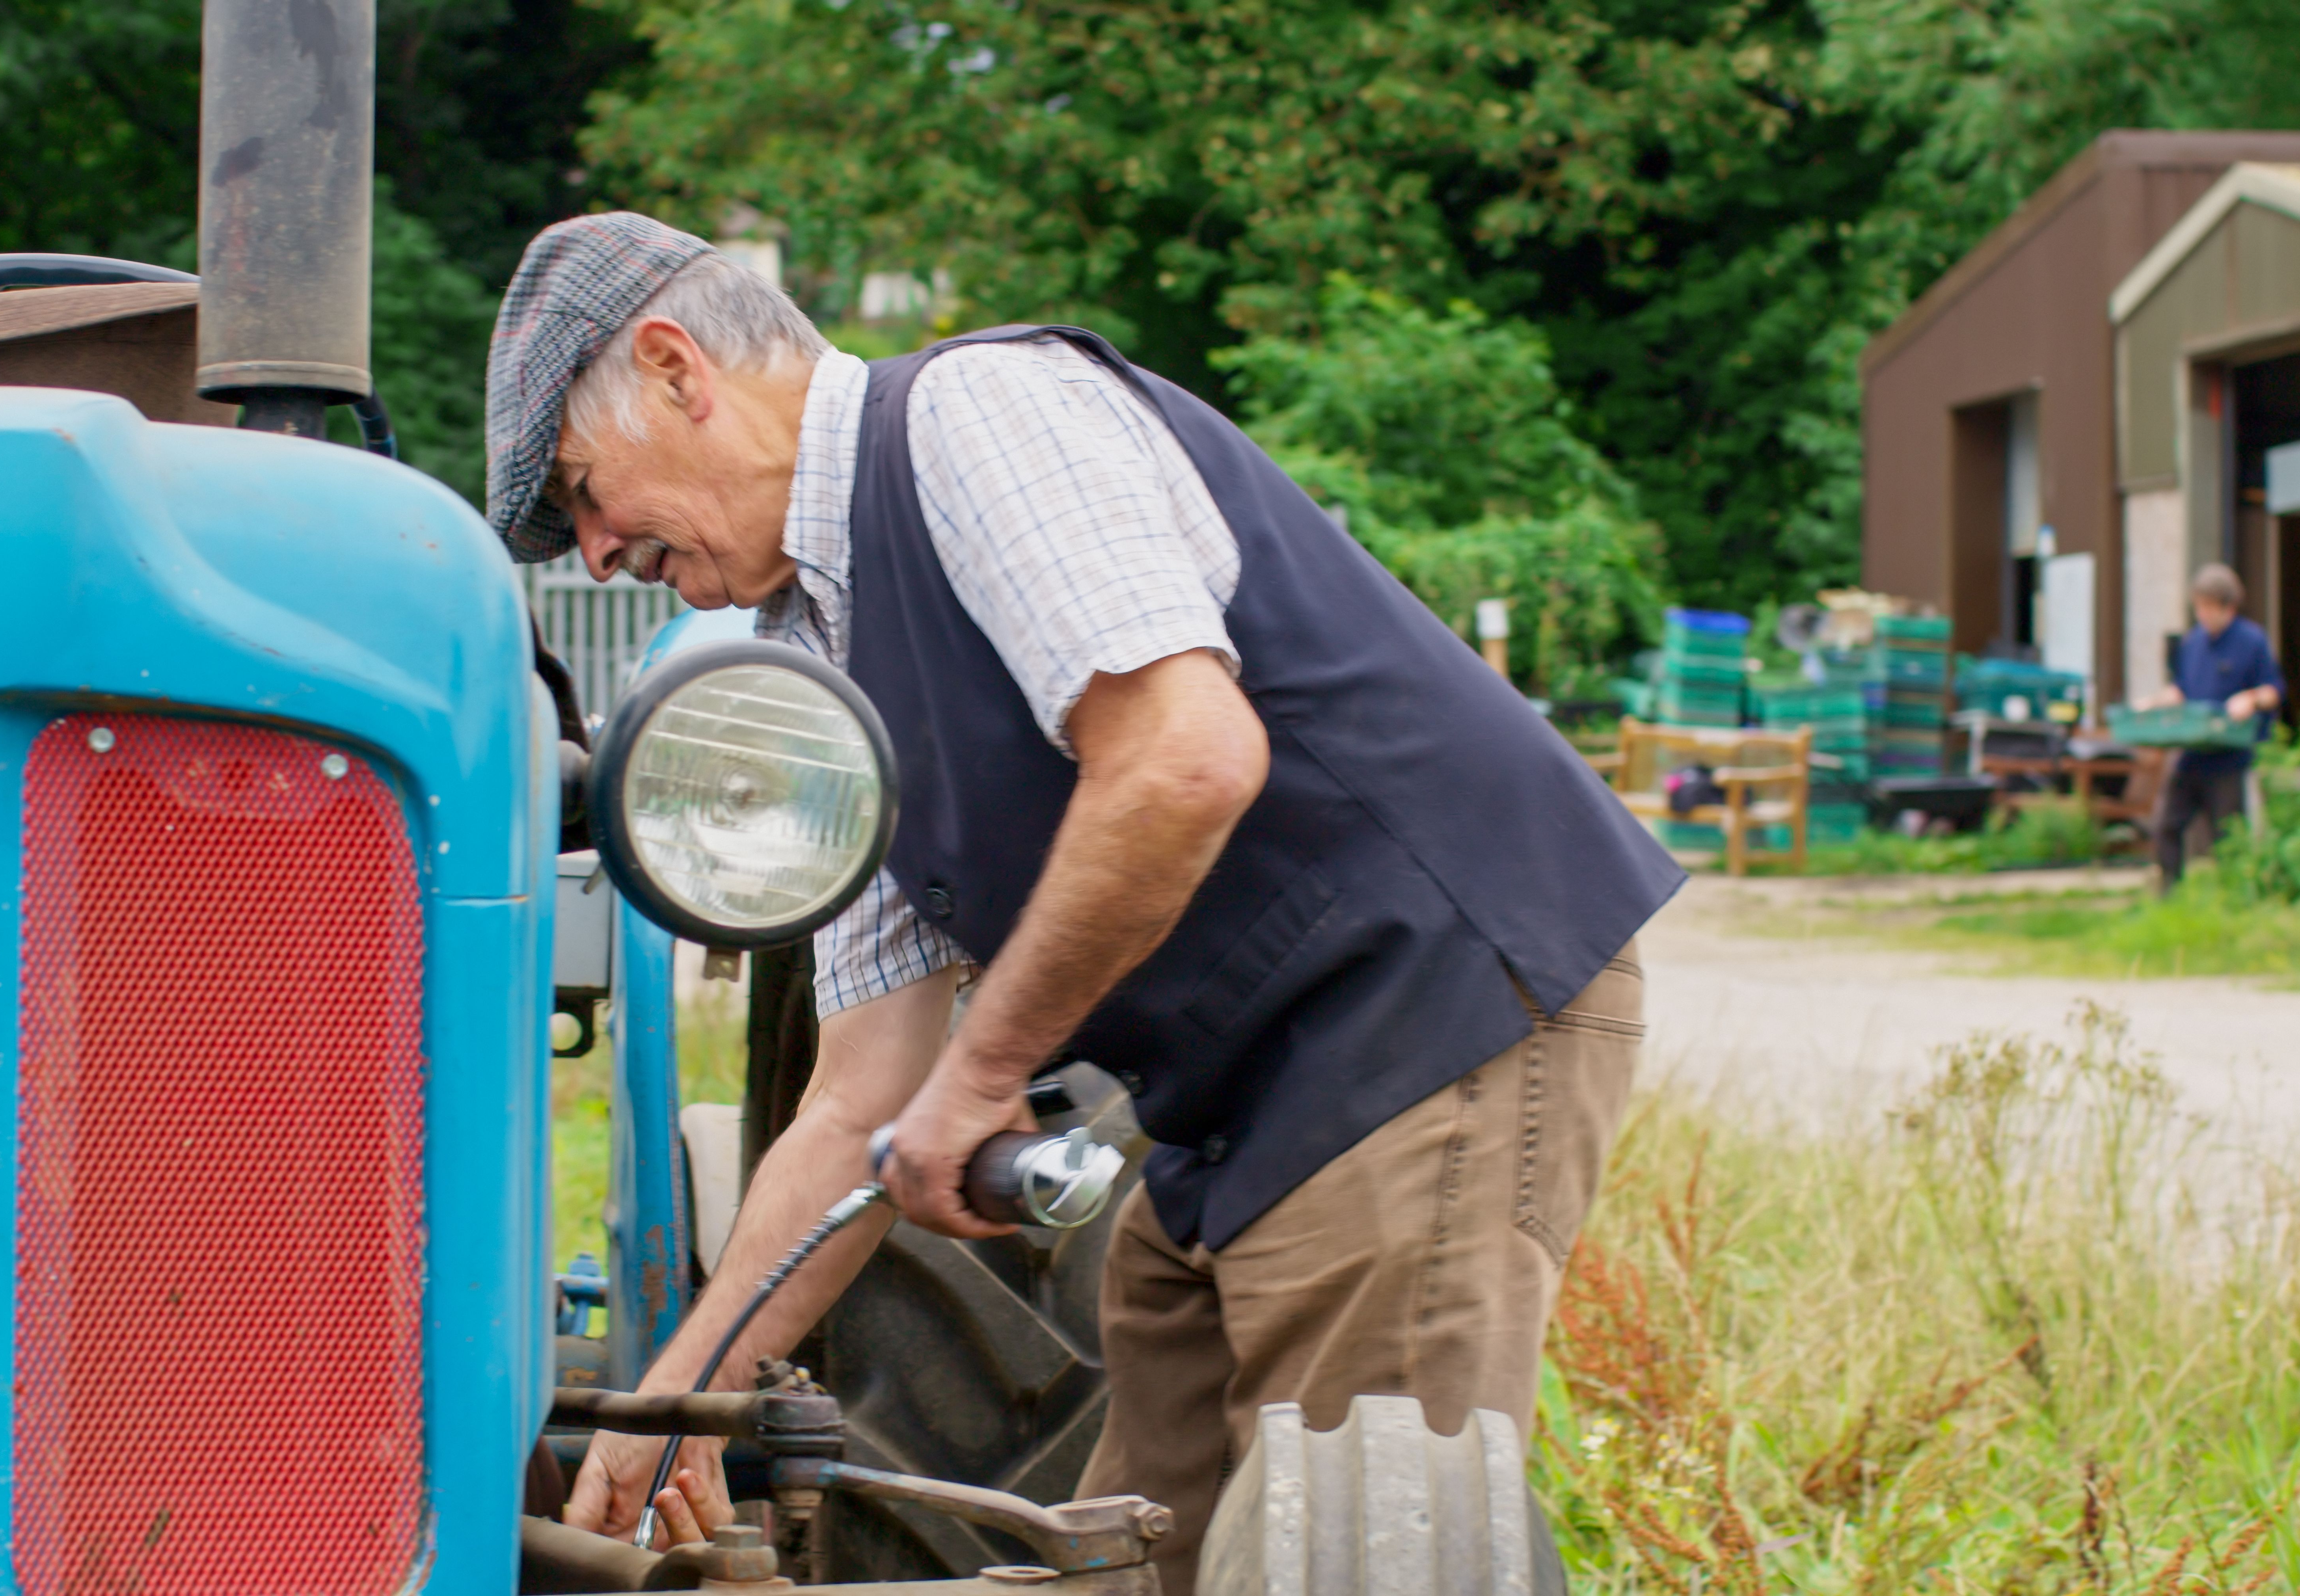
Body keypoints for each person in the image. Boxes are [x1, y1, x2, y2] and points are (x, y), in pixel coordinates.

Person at [485, 213, 1685, 1593]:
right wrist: (675, 1406)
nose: (591, 552)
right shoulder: (823, 656)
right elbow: (859, 1103)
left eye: (583, 490)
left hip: (1420, 1008)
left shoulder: (979, 416)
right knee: (1129, 1552)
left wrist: (985, 1070)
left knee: (1357, 1540)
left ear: (679, 368)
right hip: (1234, 1099)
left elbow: (1184, 757)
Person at [2134, 562, 2283, 890]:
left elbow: (2274, 691)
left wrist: (2251, 699)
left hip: (2229, 758)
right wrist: (2154, 702)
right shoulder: (2193, 644)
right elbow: (2182, 690)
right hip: (2192, 755)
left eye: (2207, 607)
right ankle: (2169, 897)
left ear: (2227, 606)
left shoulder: (2252, 641)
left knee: (2227, 837)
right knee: (2166, 826)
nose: (2201, 614)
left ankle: (2232, 900)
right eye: (2198, 607)